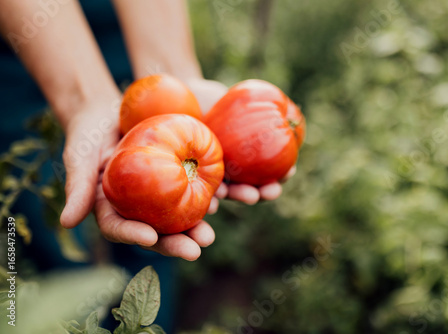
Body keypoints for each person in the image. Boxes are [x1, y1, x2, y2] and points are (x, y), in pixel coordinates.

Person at [0, 0, 293, 330]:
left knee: (152, 245)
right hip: (15, 36)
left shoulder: (190, 153)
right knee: (45, 234)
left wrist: (174, 74)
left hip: (122, 21)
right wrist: (86, 101)